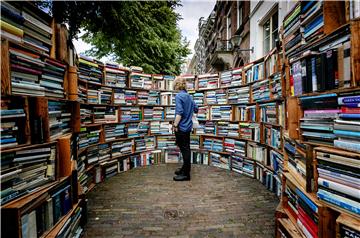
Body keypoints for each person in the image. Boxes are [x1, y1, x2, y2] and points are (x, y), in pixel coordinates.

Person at [172, 77, 198, 181]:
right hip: (188, 127)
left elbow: (179, 113)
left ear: (176, 85)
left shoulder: (179, 96)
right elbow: (196, 109)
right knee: (186, 148)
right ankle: (184, 169)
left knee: (185, 150)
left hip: (181, 127)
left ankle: (186, 174)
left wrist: (174, 125)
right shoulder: (189, 96)